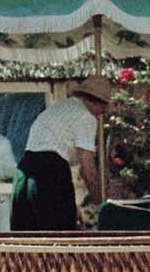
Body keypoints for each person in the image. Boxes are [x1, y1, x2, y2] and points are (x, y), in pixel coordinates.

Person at [11, 75, 113, 231]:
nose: (101, 115)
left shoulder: (57, 109)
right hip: (50, 171)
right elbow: (88, 171)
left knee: (26, 236)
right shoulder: (86, 117)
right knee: (59, 236)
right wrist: (102, 204)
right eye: (103, 110)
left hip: (23, 173)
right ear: (96, 102)